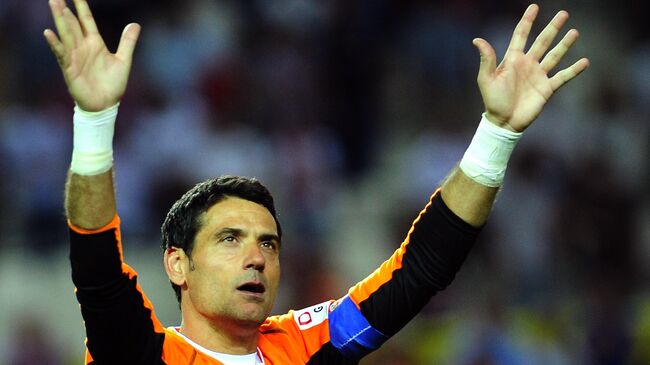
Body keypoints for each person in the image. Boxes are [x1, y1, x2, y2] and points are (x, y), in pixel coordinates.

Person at [44, 0, 589, 364]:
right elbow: (97, 271)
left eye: (269, 243)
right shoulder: (138, 354)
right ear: (177, 264)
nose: (257, 257)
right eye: (229, 239)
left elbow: (421, 269)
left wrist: (497, 133)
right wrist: (94, 121)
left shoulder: (302, 348)